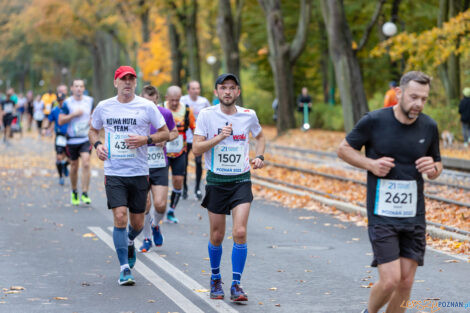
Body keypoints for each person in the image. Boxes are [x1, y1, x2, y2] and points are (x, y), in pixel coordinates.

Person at [337, 71, 442, 313]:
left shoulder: (429, 126)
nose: (418, 104)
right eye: (414, 97)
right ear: (399, 93)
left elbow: (437, 163)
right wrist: (370, 164)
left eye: (424, 99)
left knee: (406, 282)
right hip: (382, 213)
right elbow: (343, 149)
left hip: (414, 214)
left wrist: (434, 169)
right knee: (391, 280)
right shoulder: (374, 121)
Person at [88, 66, 169, 285]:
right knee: (120, 217)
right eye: (123, 79)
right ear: (116, 83)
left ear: (135, 83)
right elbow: (93, 130)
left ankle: (130, 241)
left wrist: (146, 140)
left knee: (137, 222)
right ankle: (125, 268)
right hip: (114, 172)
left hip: (139, 171)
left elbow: (165, 133)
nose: (127, 83)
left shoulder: (147, 106)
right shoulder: (104, 107)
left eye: (131, 79)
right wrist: (97, 145)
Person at [193, 73, 265, 302]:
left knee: (240, 232)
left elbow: (260, 136)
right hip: (216, 180)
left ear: (238, 92)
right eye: (223, 88)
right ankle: (215, 278)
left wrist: (260, 155)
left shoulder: (248, 115)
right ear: (216, 92)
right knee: (217, 235)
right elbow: (196, 149)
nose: (227, 92)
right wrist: (219, 137)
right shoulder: (206, 115)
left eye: (232, 88)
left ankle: (236, 284)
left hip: (241, 180)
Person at [139, 85, 178, 252]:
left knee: (160, 205)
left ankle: (155, 225)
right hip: (140, 164)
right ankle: (147, 238)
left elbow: (175, 132)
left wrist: (165, 139)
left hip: (159, 163)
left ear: (157, 100)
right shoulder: (134, 114)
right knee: (145, 204)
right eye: (146, 102)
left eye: (152, 103)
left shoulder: (165, 114)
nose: (149, 106)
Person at [59, 79, 93, 205]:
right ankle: (74, 191)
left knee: (86, 162)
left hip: (85, 139)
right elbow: (61, 121)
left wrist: (92, 121)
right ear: (72, 88)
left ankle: (85, 192)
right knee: (74, 166)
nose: (79, 88)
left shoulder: (89, 101)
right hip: (72, 140)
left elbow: (95, 115)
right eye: (76, 86)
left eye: (81, 86)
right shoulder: (67, 102)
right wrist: (73, 115)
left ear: (84, 88)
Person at [164, 86, 196, 223]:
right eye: (172, 100)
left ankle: (171, 210)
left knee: (178, 181)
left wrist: (198, 145)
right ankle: (156, 208)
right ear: (166, 98)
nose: (175, 103)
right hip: (162, 153)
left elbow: (195, 129)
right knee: (159, 183)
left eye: (177, 100)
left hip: (180, 152)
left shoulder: (187, 110)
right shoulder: (160, 108)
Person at [180, 80, 211, 200]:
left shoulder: (204, 101)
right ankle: (185, 188)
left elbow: (211, 115)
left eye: (197, 88)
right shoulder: (183, 100)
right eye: (193, 88)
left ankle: (197, 188)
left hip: (199, 137)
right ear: (188, 90)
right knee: (184, 164)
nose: (195, 91)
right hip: (185, 137)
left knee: (198, 162)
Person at [45, 92, 70, 185]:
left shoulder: (69, 109)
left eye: (62, 100)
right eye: (59, 100)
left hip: (70, 136)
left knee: (71, 158)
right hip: (60, 136)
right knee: (59, 157)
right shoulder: (54, 110)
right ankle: (61, 177)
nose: (61, 102)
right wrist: (46, 129)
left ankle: (65, 165)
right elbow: (50, 121)